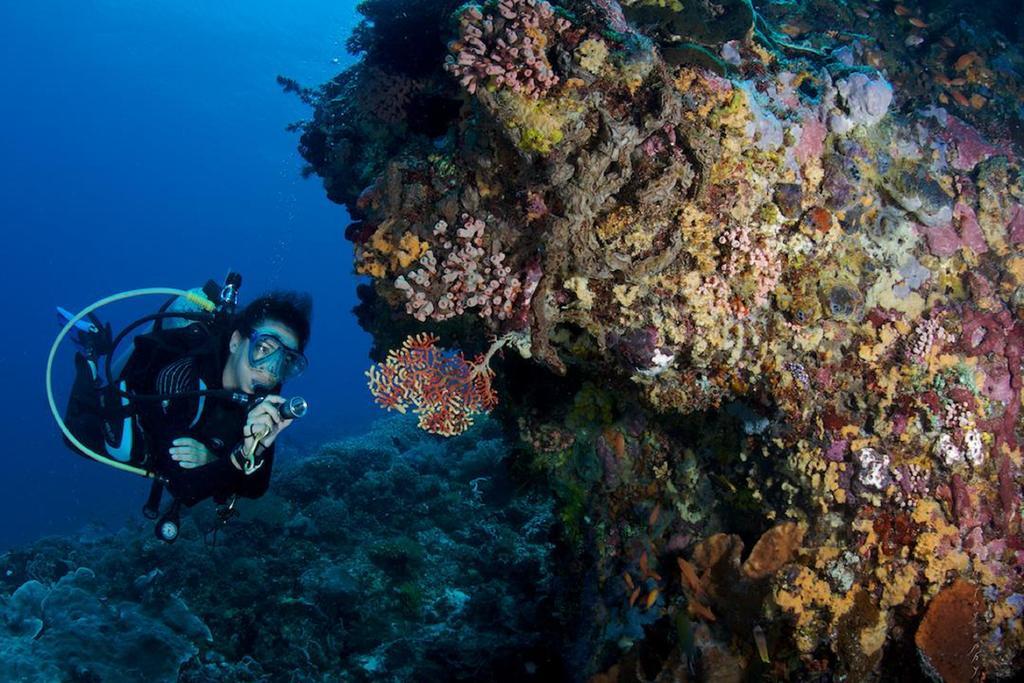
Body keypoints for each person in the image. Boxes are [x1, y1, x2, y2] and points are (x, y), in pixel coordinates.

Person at [64, 290, 312, 510]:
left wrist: (237, 455)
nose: (270, 369)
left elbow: (254, 488)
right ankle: (90, 354)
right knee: (80, 436)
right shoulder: (181, 376)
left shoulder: (264, 387)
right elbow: (182, 485)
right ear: (236, 342)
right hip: (148, 414)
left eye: (286, 360)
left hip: (197, 432)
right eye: (264, 349)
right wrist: (235, 459)